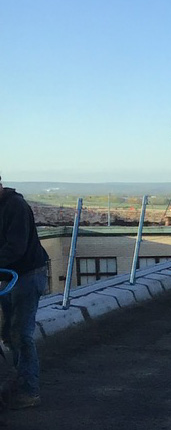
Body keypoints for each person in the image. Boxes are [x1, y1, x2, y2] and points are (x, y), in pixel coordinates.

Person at [0, 175, 50, 409]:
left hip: (28, 275)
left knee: (21, 334)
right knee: (9, 334)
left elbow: (15, 247)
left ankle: (29, 390)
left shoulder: (15, 206)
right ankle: (19, 381)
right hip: (9, 277)